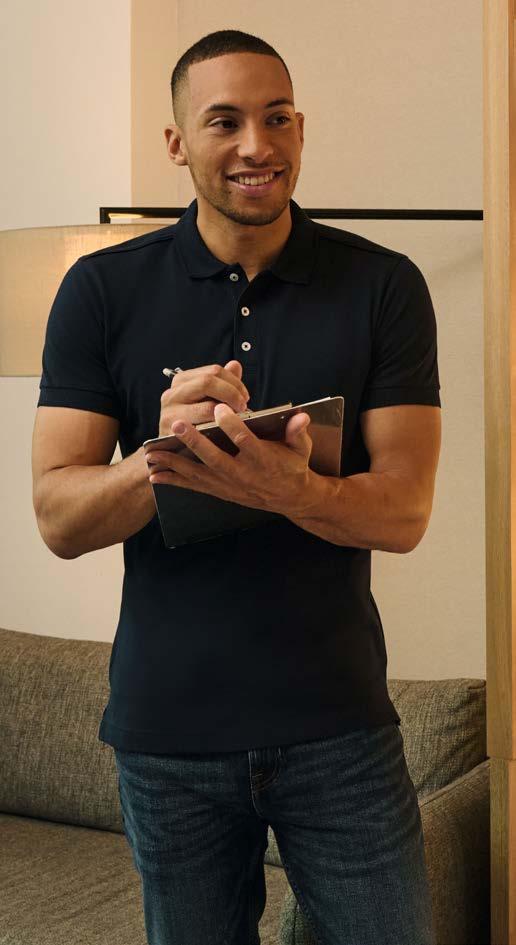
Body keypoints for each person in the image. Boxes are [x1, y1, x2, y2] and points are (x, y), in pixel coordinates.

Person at [32, 28, 441, 945]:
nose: (258, 144)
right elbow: (58, 516)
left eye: (278, 117)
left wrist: (289, 488)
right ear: (176, 142)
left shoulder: (384, 285)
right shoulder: (99, 289)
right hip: (167, 733)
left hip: (340, 724)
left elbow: (406, 510)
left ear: (301, 128)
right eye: (225, 121)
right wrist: (166, 453)